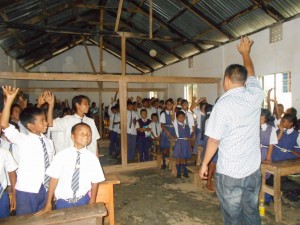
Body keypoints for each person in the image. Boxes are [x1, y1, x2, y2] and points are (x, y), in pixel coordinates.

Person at [199, 36, 264, 225]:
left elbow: (214, 140)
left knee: (232, 216)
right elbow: (251, 73)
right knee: (251, 213)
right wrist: (245, 53)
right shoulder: (255, 95)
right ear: (244, 81)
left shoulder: (223, 104)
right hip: (252, 171)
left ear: (226, 80)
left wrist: (204, 164)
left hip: (230, 174)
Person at [1, 86, 55, 215]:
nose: (46, 123)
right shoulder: (23, 140)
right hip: (27, 190)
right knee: (25, 220)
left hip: (46, 188)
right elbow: (4, 125)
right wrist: (9, 100)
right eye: (42, 121)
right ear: (30, 126)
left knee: (45, 220)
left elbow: (52, 166)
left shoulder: (49, 142)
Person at [36, 123, 105, 213]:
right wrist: (48, 203)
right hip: (63, 202)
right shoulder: (61, 155)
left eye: (89, 134)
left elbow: (95, 182)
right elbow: (53, 179)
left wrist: (92, 201)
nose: (86, 136)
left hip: (83, 199)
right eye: (82, 133)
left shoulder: (92, 158)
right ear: (72, 137)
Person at [172, 107, 191, 178]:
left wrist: (188, 138)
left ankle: (185, 172)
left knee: (184, 159)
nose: (181, 119)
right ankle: (178, 173)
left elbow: (189, 135)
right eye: (179, 117)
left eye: (183, 117)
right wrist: (174, 108)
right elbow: (173, 117)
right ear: (176, 118)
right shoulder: (176, 125)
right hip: (179, 143)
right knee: (178, 159)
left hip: (185, 143)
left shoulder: (186, 126)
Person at [0, 148, 17, 218]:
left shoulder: (4, 153)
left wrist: (14, 196)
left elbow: (12, 173)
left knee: (5, 221)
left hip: (1, 196)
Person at [160, 98, 176, 170]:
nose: (169, 105)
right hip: (166, 131)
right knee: (165, 148)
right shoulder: (163, 113)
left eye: (171, 104)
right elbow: (162, 125)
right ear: (165, 105)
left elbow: (174, 121)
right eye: (168, 104)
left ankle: (171, 163)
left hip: (173, 130)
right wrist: (168, 134)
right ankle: (164, 163)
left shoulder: (174, 113)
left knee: (173, 148)